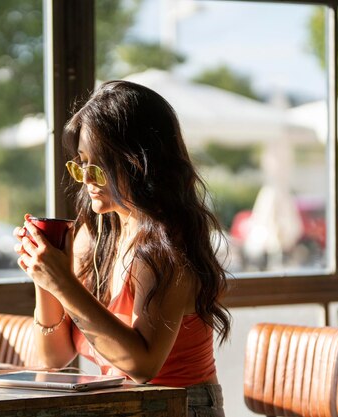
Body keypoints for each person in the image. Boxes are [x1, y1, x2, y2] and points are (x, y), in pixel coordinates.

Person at [14, 80, 231, 416]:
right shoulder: (96, 236)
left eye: (97, 165)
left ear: (139, 162)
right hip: (122, 405)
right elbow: (53, 357)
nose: (86, 178)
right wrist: (44, 273)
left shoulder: (165, 248)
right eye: (80, 163)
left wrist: (62, 283)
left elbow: (143, 366)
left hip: (182, 407)